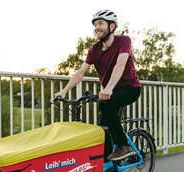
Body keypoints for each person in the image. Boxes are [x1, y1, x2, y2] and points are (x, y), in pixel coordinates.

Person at [55, 9, 141, 161]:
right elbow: (81, 72)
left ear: (112, 26)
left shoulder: (124, 41)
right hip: (110, 91)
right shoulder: (94, 49)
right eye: (95, 24)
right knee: (102, 130)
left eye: (100, 23)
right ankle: (106, 165)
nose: (96, 27)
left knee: (105, 105)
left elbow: (120, 65)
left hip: (129, 88)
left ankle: (123, 145)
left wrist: (108, 88)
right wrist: (64, 91)